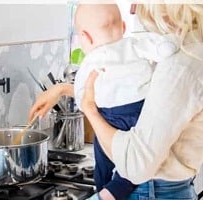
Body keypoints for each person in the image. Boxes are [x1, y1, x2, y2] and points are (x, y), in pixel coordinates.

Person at [29, 3, 203, 200]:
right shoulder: (186, 49)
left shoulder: (180, 63)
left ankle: (107, 191)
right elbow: (124, 91)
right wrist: (63, 89)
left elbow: (137, 165)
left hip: (149, 191)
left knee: (105, 165)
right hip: (165, 189)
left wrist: (90, 110)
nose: (133, 8)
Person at [72, 4, 179, 200]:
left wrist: (85, 105)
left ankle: (102, 188)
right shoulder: (135, 45)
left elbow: (81, 94)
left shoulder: (90, 61)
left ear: (85, 38)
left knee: (103, 156)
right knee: (136, 156)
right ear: (122, 26)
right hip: (141, 109)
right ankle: (120, 184)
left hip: (108, 115)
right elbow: (165, 48)